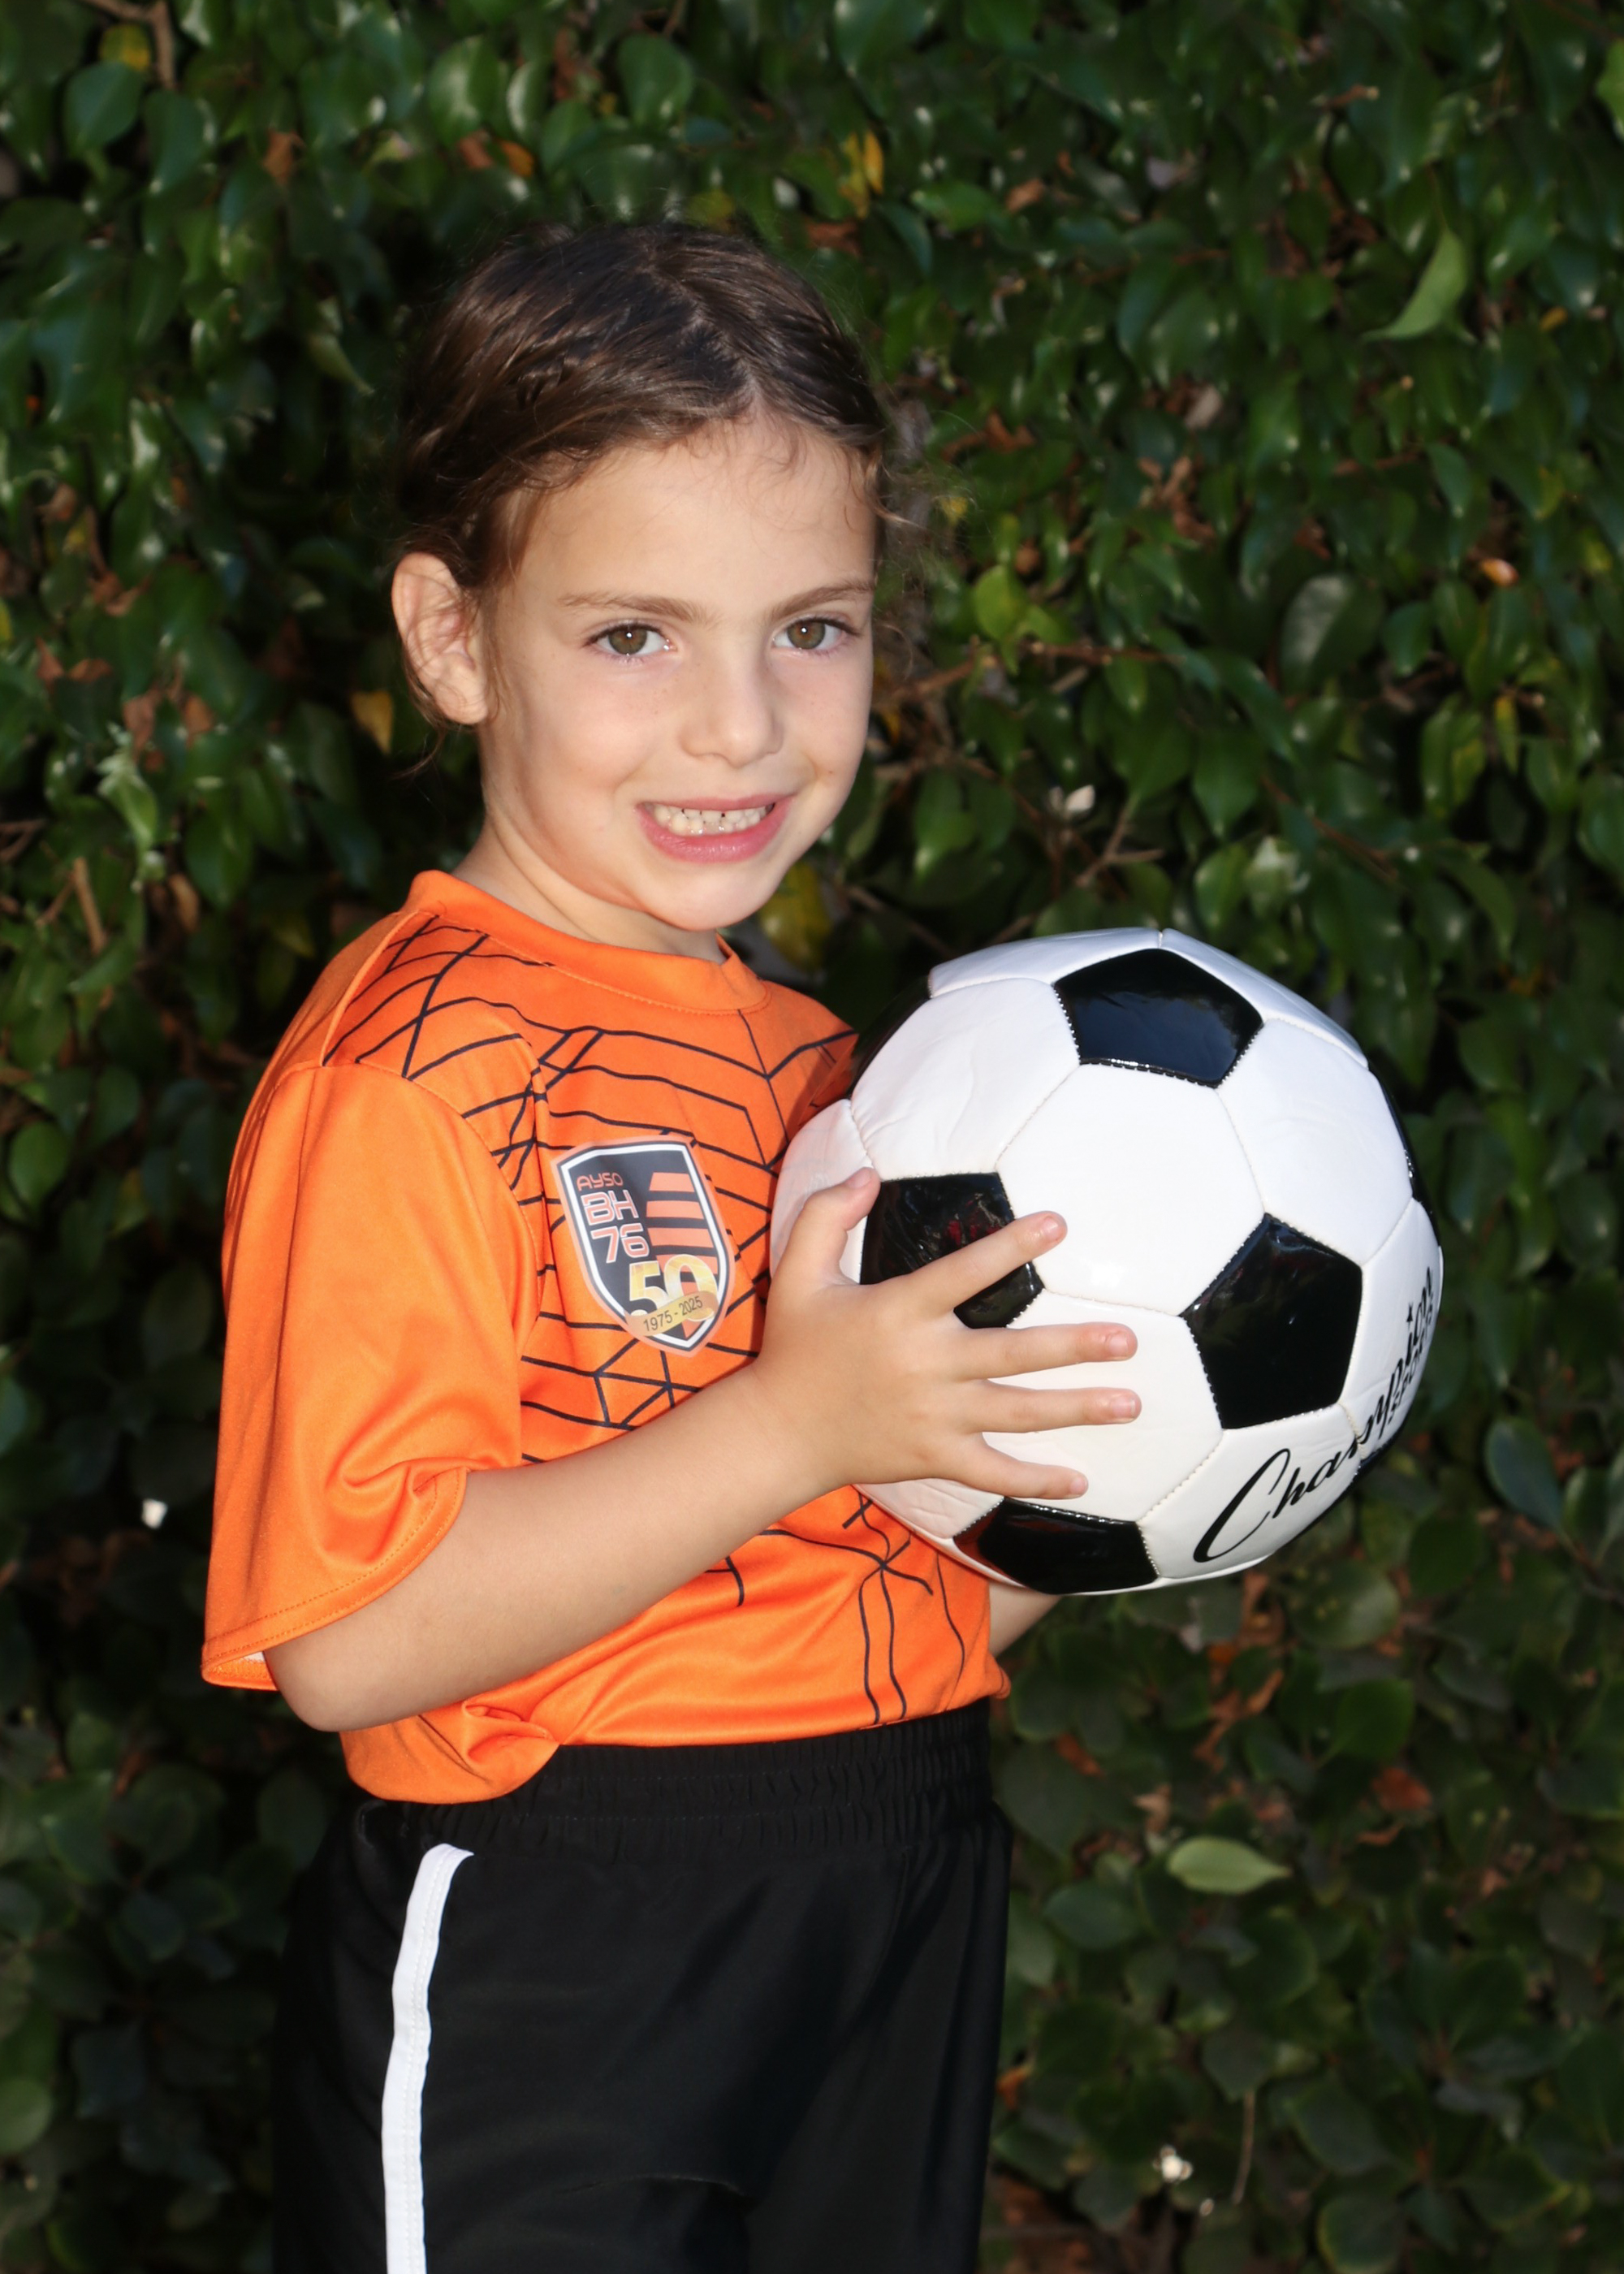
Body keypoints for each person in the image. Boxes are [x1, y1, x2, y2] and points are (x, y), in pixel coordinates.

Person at [202, 223, 1140, 2274]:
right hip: (560, 1921)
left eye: (811, 629)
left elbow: (906, 1582)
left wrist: (1137, 1465)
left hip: (897, 1864)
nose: (739, 725)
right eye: (635, 634)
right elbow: (352, 1636)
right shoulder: (410, 1067)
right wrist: (797, 1418)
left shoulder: (844, 1075)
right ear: (455, 642)